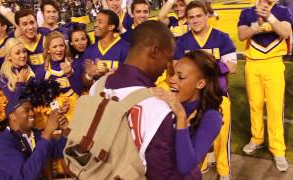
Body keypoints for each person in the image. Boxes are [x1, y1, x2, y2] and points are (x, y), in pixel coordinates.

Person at [89, 20, 199, 179]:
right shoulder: (157, 106)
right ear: (154, 51)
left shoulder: (97, 86)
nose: (168, 66)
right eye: (168, 58)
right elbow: (162, 174)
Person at [174, 1, 237, 179]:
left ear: (207, 15)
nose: (195, 20)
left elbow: (232, 67)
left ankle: (224, 172)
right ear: (186, 19)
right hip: (192, 99)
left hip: (218, 95)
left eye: (199, 15)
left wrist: (198, 67)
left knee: (222, 138)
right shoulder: (182, 41)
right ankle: (198, 168)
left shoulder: (221, 37)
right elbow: (176, 67)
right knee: (194, 139)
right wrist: (215, 65)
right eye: (191, 17)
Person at [238, 0, 293, 172]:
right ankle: (257, 138)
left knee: (275, 107)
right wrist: (257, 24)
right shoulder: (247, 11)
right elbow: (241, 35)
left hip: (274, 63)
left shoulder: (282, 10)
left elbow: (285, 32)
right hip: (252, 64)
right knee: (255, 105)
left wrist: (269, 16)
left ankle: (278, 150)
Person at [150, 50, 223, 178]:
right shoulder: (165, 102)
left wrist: (181, 116)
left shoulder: (211, 117)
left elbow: (185, 165)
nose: (172, 80)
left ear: (200, 83)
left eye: (181, 77)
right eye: (172, 74)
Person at [0, 97, 68, 179]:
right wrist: (47, 133)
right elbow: (25, 176)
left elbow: (60, 151)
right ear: (12, 116)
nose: (32, 113)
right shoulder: (2, 145)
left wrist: (65, 130)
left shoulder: (34, 134)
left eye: (32, 109)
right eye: (27, 110)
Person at [83, 9, 129, 79]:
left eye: (100, 22)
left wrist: (108, 73)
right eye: (96, 21)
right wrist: (89, 75)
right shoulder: (89, 50)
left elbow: (131, 78)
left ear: (111, 27)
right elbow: (85, 83)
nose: (95, 24)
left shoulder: (126, 48)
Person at [0, 38, 40, 102]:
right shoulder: (3, 77)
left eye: (24, 51)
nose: (23, 55)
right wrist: (21, 82)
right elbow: (14, 102)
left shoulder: (34, 68)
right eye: (17, 53)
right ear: (9, 56)